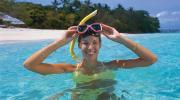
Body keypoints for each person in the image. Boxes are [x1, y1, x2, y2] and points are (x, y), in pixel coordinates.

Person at [23, 23, 157, 99]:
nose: (91, 47)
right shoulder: (70, 69)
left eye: (95, 43)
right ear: (79, 45)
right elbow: (29, 65)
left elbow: (150, 60)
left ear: (100, 45)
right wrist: (60, 42)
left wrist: (121, 39)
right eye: (85, 43)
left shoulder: (113, 65)